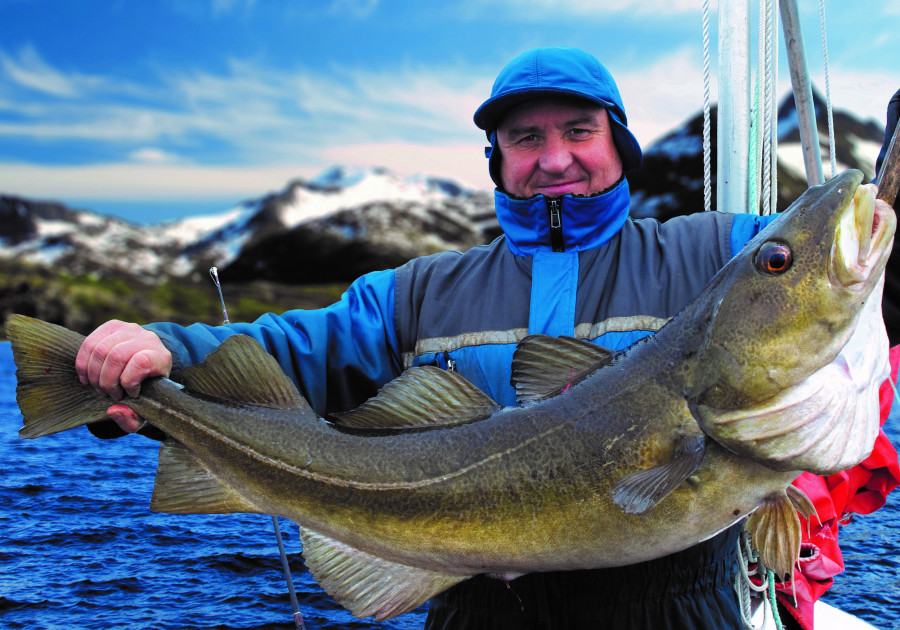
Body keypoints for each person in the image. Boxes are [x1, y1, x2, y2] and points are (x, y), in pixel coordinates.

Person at [75, 47, 899, 629]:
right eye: (525, 139)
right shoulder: (421, 290)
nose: (554, 159)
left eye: (579, 130)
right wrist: (161, 356)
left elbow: (845, 284)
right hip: (473, 613)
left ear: (619, 141)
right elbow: (298, 348)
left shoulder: (714, 251)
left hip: (677, 613)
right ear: (496, 160)